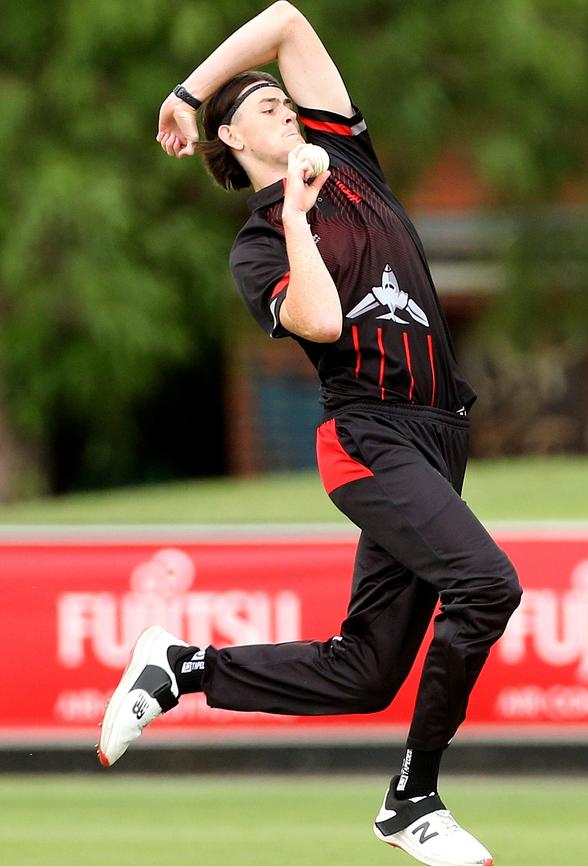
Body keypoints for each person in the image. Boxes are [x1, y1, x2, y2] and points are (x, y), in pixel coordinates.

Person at [98, 4, 522, 865]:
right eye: (265, 110)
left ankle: (183, 667)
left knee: (366, 671)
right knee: (488, 585)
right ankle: (415, 798)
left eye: (288, 105)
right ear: (234, 141)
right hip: (368, 438)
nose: (287, 113)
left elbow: (287, 19)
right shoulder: (260, 246)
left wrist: (191, 88)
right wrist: (295, 209)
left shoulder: (353, 160)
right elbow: (323, 321)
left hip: (441, 432)